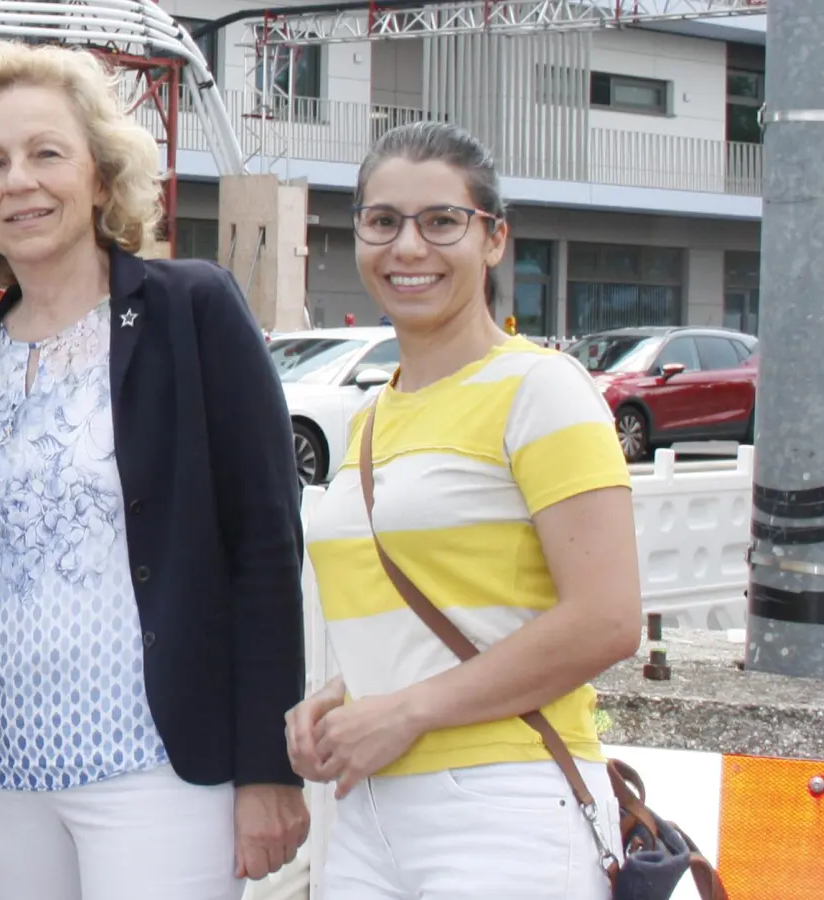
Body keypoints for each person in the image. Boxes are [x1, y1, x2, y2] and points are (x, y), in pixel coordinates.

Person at [0, 39, 309, 899]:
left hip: (156, 767)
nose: (20, 181)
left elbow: (267, 546)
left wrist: (268, 768)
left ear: (99, 175)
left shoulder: (189, 308)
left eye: (47, 153)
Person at [285, 121, 642, 899]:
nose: (407, 247)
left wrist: (406, 712)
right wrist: (335, 704)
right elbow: (429, 625)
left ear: (494, 240)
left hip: (504, 804)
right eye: (383, 222)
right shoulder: (372, 419)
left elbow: (607, 619)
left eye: (442, 221)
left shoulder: (542, 389)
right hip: (368, 808)